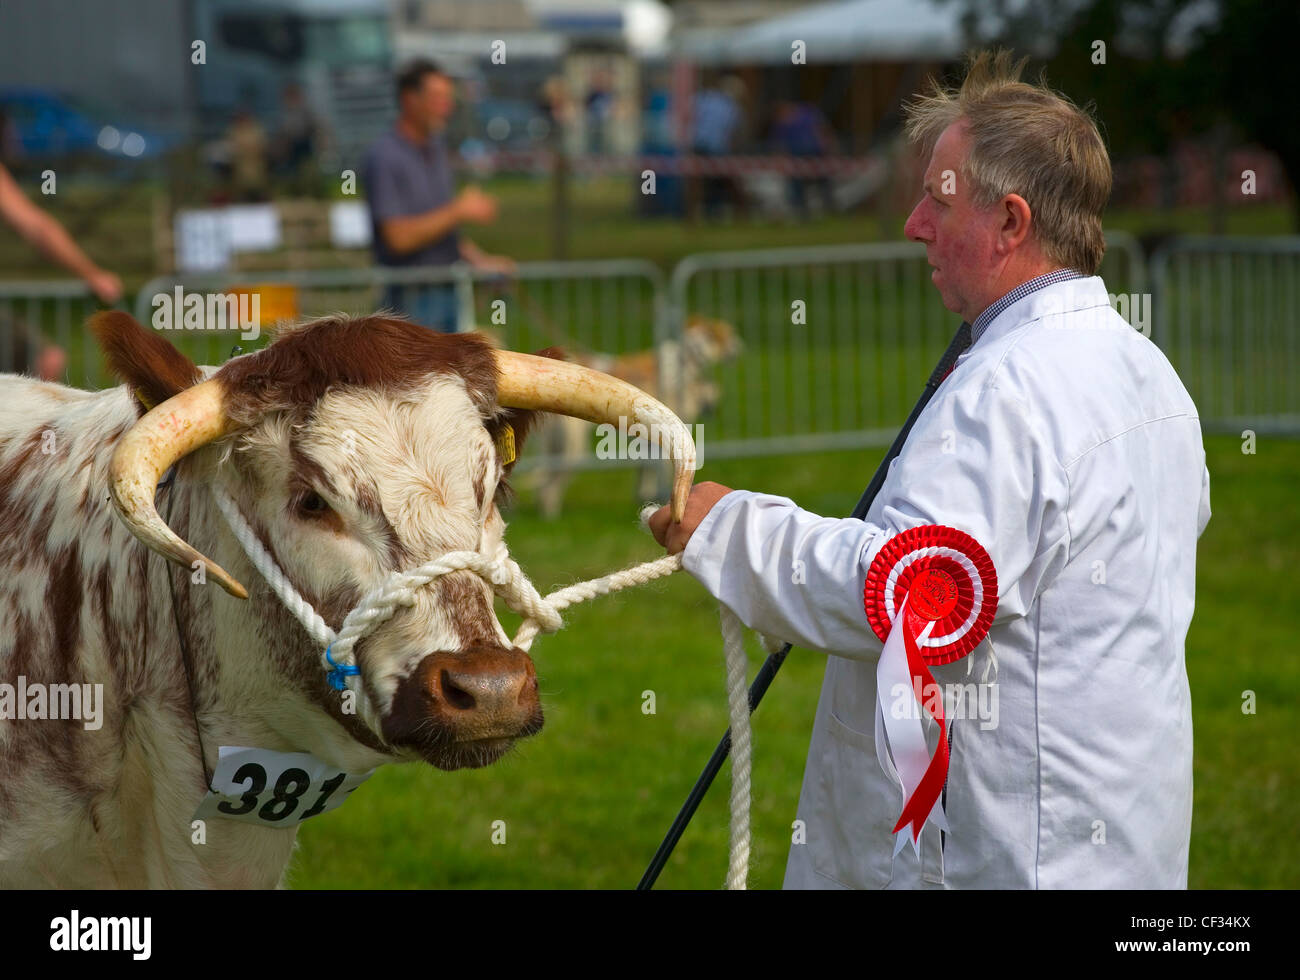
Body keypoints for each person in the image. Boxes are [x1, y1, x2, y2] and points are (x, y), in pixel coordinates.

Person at [649, 51, 1211, 889]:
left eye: (936, 198)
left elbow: (912, 598)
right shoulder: (1148, 370)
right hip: (1116, 837)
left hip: (1009, 851)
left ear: (1011, 222)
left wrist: (732, 529)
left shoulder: (1013, 388)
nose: (914, 222)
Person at [363, 59, 514, 333]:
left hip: (447, 292)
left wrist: (481, 262)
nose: (447, 107)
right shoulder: (384, 156)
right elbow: (398, 238)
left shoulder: (436, 150)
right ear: (409, 99)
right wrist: (458, 210)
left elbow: (442, 229)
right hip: (409, 300)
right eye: (437, 98)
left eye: (448, 98)